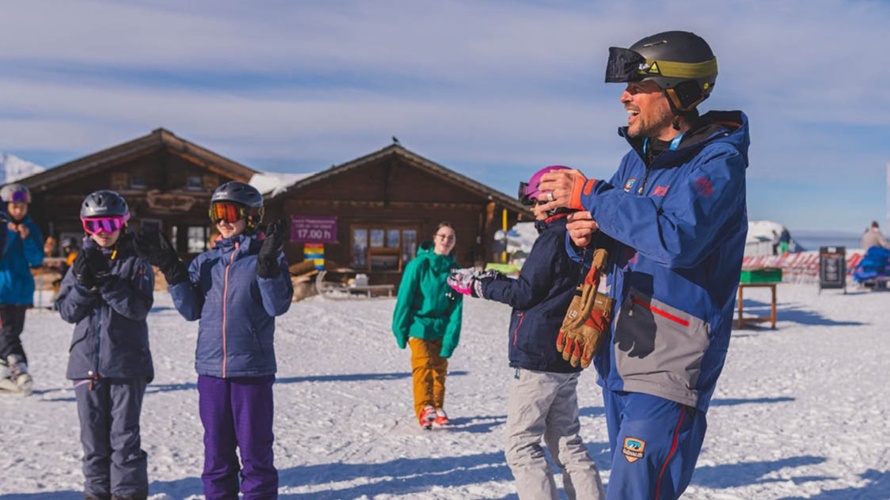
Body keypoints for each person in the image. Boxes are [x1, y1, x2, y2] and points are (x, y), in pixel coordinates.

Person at [537, 31, 749, 499]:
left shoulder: (718, 163)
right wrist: (583, 237)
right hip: (620, 356)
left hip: (672, 363)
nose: (624, 96)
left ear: (678, 92)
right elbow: (616, 236)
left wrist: (591, 194)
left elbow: (679, 239)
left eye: (638, 85)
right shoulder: (634, 165)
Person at [447, 166, 606, 499]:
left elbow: (524, 295)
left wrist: (481, 286)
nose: (532, 210)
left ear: (551, 200)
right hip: (566, 353)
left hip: (538, 356)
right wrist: (493, 280)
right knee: (567, 442)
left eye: (534, 202)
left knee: (521, 445)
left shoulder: (552, 236)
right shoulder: (583, 234)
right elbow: (541, 288)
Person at [135, 181, 292, 499]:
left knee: (255, 453)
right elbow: (191, 310)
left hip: (252, 372)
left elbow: (277, 305)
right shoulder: (204, 263)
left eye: (230, 211)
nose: (222, 220)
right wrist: (173, 270)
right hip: (210, 372)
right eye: (216, 212)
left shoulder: (267, 257)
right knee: (216, 456)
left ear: (251, 216)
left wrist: (266, 267)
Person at [55, 190, 155, 500]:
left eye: (110, 224)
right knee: (93, 441)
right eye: (93, 226)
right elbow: (67, 310)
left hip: (127, 363)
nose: (103, 233)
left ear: (123, 224)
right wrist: (85, 286)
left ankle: (128, 494)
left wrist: (109, 284)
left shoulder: (137, 262)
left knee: (124, 437)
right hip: (86, 363)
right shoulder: (80, 264)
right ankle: (96, 494)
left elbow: (138, 308)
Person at [392, 222, 463, 430]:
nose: (446, 241)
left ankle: (437, 407)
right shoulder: (418, 265)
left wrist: (451, 337)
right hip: (418, 324)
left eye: (451, 238)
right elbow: (404, 298)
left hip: (441, 326)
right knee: (422, 366)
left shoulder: (455, 270)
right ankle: (424, 408)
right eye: (442, 236)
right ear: (434, 238)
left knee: (439, 368)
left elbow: (457, 307)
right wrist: (400, 328)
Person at [0, 183, 45, 395]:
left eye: (22, 207)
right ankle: (20, 368)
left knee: (12, 333)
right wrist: (7, 236)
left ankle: (3, 372)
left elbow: (36, 259)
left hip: (21, 291)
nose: (19, 211)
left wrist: (26, 238)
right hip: (1, 291)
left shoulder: (32, 228)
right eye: (15, 206)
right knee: (7, 334)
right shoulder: (1, 227)